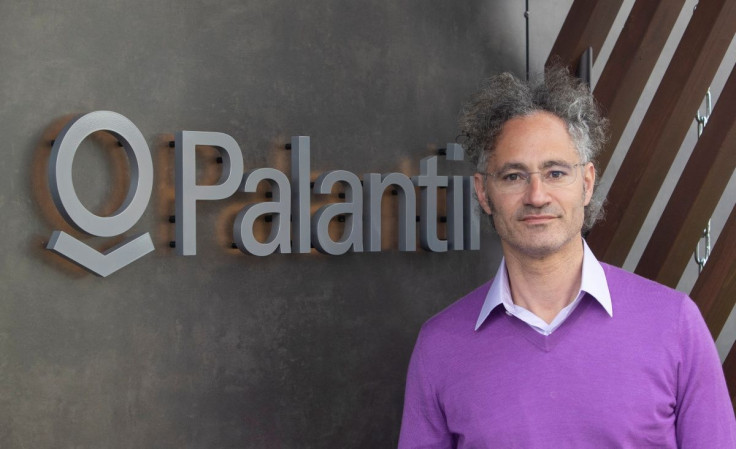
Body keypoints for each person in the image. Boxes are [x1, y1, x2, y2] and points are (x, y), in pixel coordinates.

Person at [397, 67, 736, 448]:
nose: (537, 195)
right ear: (483, 192)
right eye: (513, 176)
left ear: (587, 184)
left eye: (556, 172)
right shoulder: (441, 345)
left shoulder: (674, 325)